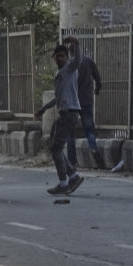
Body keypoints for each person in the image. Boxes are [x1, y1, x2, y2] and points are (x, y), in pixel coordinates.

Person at [35, 38, 85, 196]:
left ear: (66, 57)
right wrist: (43, 109)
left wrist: (76, 44)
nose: (59, 58)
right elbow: (58, 97)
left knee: (56, 149)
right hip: (64, 113)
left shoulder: (70, 68)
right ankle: (73, 177)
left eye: (62, 56)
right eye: (57, 56)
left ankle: (65, 182)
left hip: (70, 113)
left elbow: (78, 60)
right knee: (54, 147)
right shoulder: (59, 73)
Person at [66, 49, 105, 169]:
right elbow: (97, 77)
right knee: (89, 129)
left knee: (70, 132)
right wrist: (97, 88)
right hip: (87, 101)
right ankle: (93, 148)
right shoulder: (88, 61)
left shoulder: (68, 65)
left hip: (73, 102)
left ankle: (72, 162)